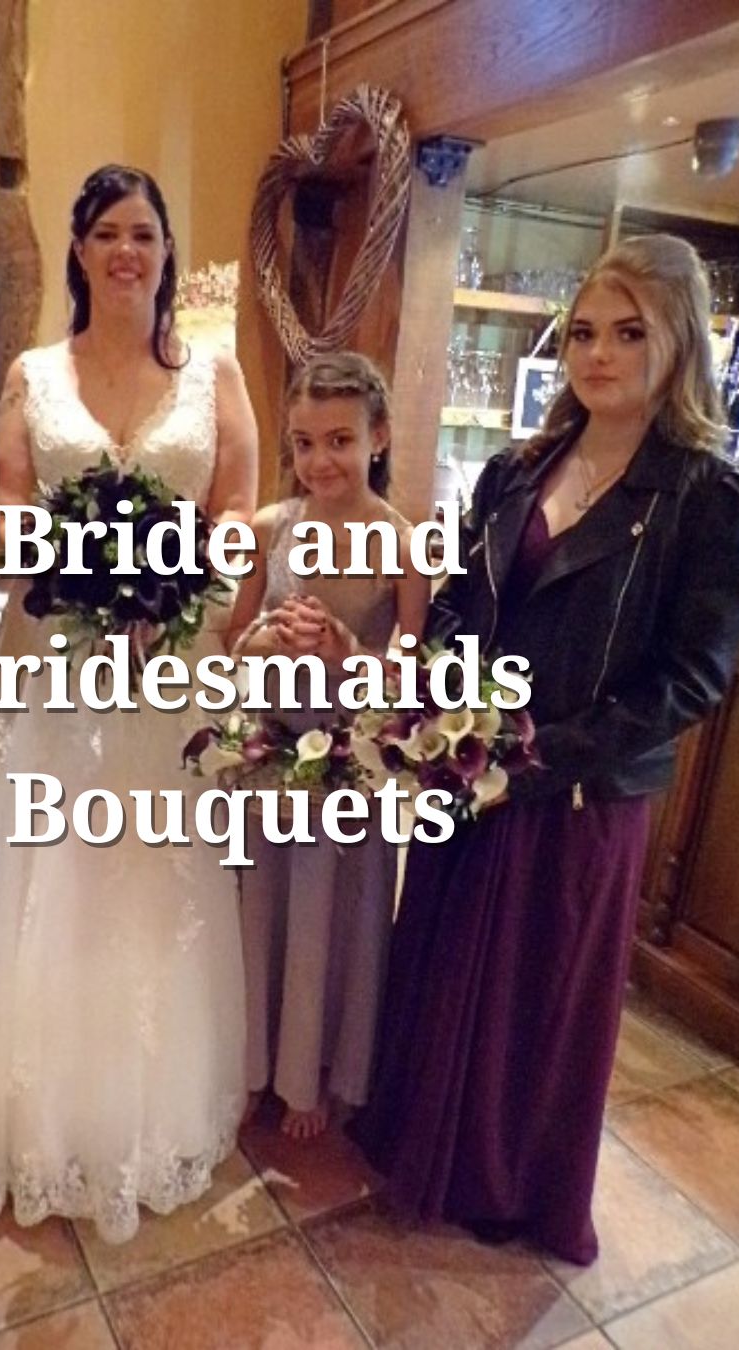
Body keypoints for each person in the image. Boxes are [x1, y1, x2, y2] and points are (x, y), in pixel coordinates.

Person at [351, 233, 739, 1264]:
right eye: (584, 333)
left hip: (577, 795)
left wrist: (533, 757)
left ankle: (505, 1189)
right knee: (442, 957)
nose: (599, 354)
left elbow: (690, 679)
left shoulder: (712, 498)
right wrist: (441, 707)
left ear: (679, 344)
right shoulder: (515, 468)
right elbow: (462, 600)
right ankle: (417, 1144)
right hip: (468, 767)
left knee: (535, 1002)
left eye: (629, 333)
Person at [0, 164, 259, 1242]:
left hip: (167, 667)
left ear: (166, 250)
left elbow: (236, 512)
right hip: (52, 663)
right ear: (78, 249)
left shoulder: (217, 374)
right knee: (44, 869)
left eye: (144, 233)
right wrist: (76, 569)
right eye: (106, 232)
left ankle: (141, 1110)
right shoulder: (32, 373)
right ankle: (30, 1117)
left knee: (146, 876)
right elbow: (12, 502)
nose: (125, 252)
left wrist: (177, 584)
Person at [226, 353, 427, 1140]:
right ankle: (251, 1065)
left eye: (340, 441)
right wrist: (266, 638)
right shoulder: (271, 528)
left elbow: (410, 673)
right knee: (259, 914)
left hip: (349, 765)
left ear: (379, 436)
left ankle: (311, 1074)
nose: (320, 461)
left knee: (333, 921)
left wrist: (347, 651)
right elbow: (231, 640)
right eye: (304, 443)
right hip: (272, 755)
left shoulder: (403, 544)